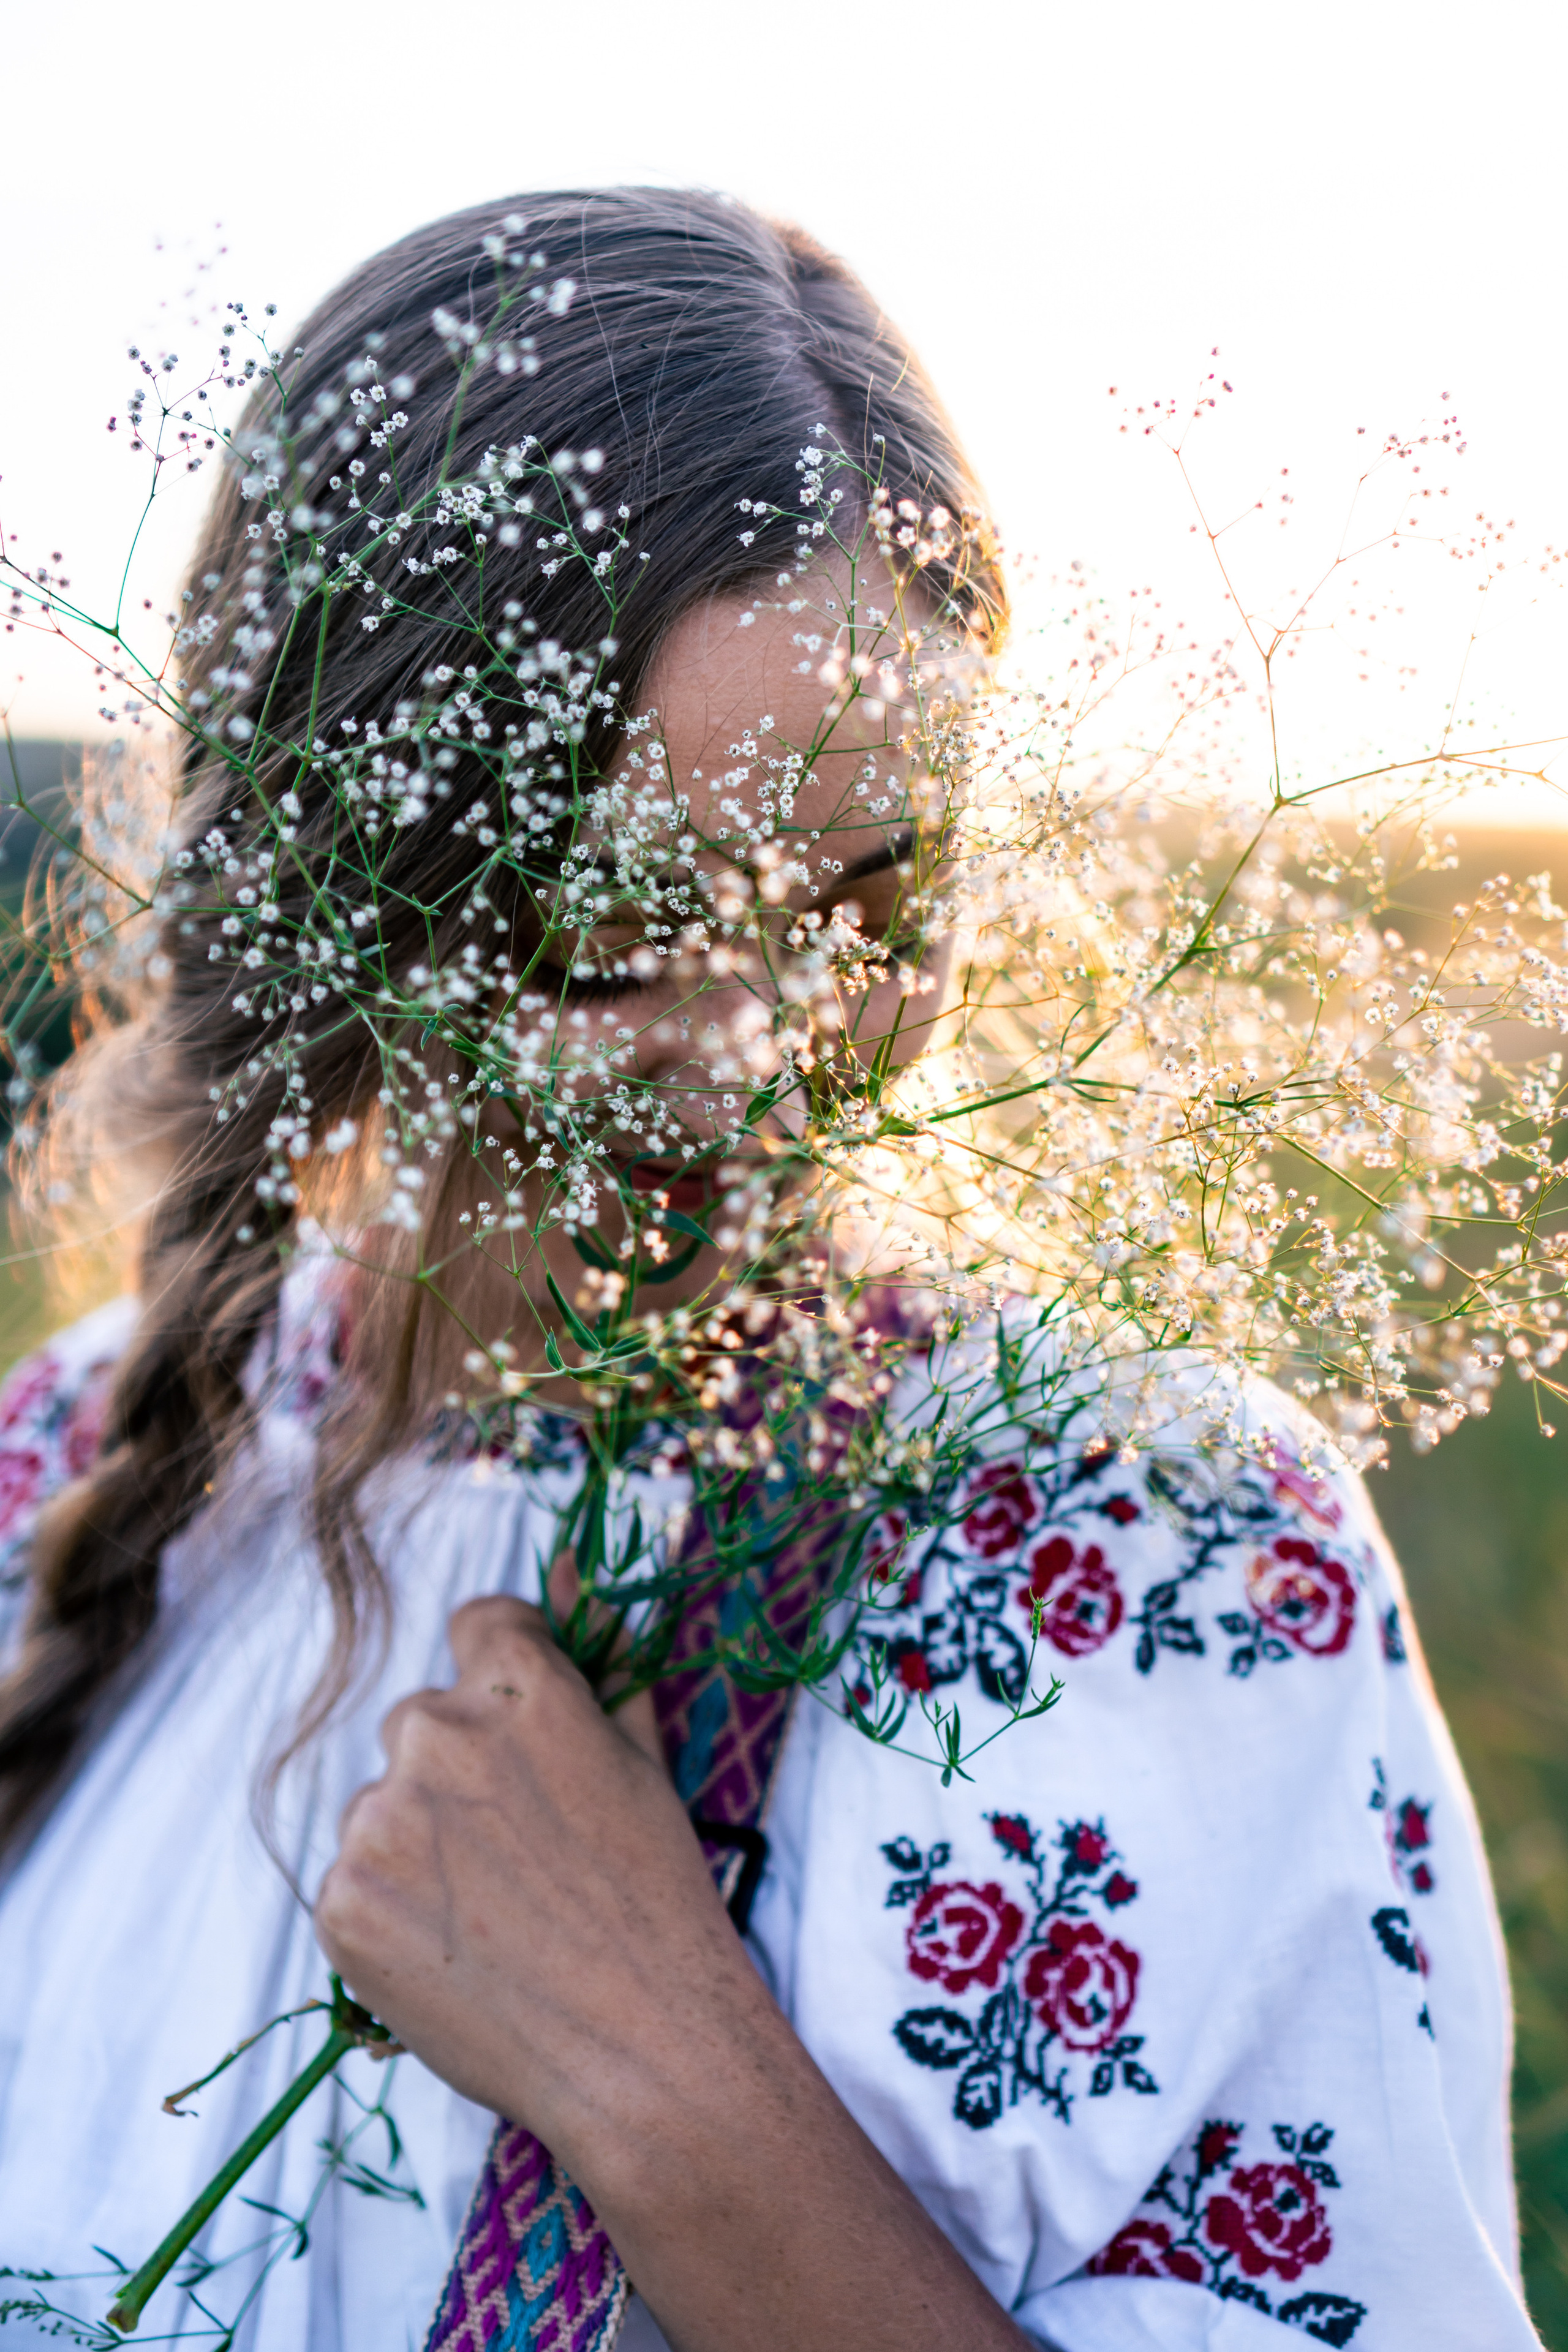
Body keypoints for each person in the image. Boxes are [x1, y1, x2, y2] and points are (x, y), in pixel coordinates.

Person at [0, 189, 1542, 2352]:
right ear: (339, 900)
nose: (763, 1063)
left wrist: (667, 2079)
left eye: (873, 902)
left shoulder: (1159, 1555)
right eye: (626, 939)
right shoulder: (51, 1471)